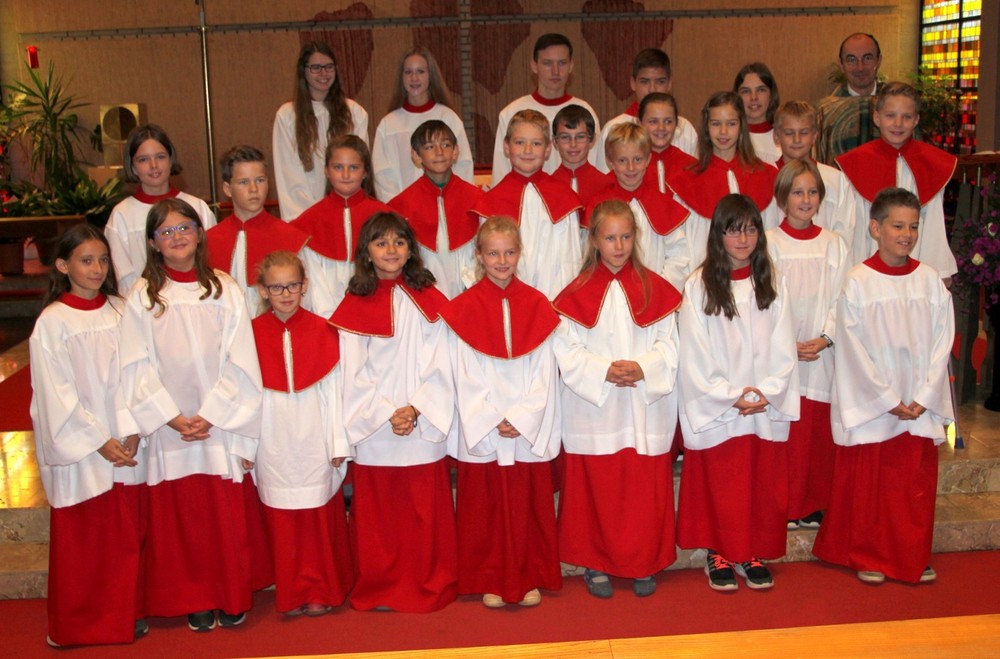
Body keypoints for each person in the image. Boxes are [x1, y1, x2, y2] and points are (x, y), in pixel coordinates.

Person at [119, 198, 265, 633]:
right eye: (166, 232)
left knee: (222, 515)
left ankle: (230, 593)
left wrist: (213, 413)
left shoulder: (223, 289)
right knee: (182, 519)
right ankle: (194, 598)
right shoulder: (143, 296)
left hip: (217, 424)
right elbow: (133, 364)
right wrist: (169, 415)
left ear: (200, 234)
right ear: (152, 243)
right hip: (171, 429)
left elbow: (243, 358)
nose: (177, 237)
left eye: (184, 228)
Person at [812, 188, 954, 585]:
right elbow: (852, 346)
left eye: (913, 227)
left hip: (917, 403)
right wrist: (887, 399)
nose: (907, 235)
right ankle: (869, 554)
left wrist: (924, 396)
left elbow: (942, 343)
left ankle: (911, 553)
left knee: (912, 484)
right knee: (872, 483)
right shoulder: (859, 281)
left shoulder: (929, 281)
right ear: (875, 228)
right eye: (897, 226)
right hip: (877, 404)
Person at [553, 199, 682, 599]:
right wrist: (603, 370)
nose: (619, 246)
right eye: (610, 238)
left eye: (626, 237)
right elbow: (566, 350)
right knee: (597, 487)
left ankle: (643, 561)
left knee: (642, 489)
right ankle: (596, 562)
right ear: (593, 240)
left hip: (642, 406)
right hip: (596, 409)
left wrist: (643, 367)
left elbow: (670, 344)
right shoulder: (574, 294)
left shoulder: (655, 289)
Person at [331, 212, 458, 612]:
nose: (391, 250)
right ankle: (381, 585)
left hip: (420, 421)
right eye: (381, 242)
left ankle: (427, 582)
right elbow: (352, 371)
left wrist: (416, 408)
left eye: (399, 242)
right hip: (377, 426)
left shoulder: (429, 299)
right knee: (380, 515)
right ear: (365, 251)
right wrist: (388, 412)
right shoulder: (355, 304)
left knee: (424, 511)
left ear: (411, 250)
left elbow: (442, 361)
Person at [29, 224, 146, 647]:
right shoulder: (53, 322)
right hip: (83, 448)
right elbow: (54, 393)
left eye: (102, 260)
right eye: (86, 260)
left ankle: (123, 615)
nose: (97, 269)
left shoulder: (121, 309)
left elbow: (138, 373)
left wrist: (132, 429)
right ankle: (78, 626)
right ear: (63, 266)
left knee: (124, 536)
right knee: (86, 540)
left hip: (125, 440)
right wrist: (99, 440)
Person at [676, 194, 799, 592]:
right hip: (721, 405)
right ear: (718, 235)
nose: (743, 239)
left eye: (750, 230)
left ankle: (750, 550)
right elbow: (694, 349)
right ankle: (719, 552)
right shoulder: (699, 285)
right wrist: (729, 395)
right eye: (733, 230)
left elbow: (784, 342)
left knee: (757, 482)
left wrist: (767, 392)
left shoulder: (771, 281)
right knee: (722, 481)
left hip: (761, 404)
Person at [442, 217, 563, 608]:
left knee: (528, 505)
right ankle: (490, 578)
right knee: (485, 508)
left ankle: (528, 577)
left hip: (523, 428)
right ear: (479, 255)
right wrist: (494, 417)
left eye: (509, 252)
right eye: (493, 253)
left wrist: (523, 417)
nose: (502, 260)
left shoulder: (538, 304)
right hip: (487, 425)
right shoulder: (463, 309)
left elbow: (545, 371)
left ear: (520, 253)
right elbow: (463, 372)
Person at [251, 251, 353, 617]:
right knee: (283, 520)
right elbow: (245, 396)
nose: (286, 294)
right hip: (272, 437)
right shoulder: (249, 335)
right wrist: (245, 445)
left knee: (318, 516)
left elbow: (335, 393)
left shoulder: (324, 330)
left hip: (314, 435)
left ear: (305, 285)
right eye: (277, 287)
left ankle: (321, 589)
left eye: (292, 285)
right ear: (263, 290)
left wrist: (338, 442)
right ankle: (292, 592)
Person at [765, 160, 849, 529]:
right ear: (782, 198)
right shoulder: (769, 243)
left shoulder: (834, 244)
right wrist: (787, 341)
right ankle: (785, 504)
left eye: (812, 192)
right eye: (797, 192)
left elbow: (843, 297)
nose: (805, 199)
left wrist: (826, 337)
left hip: (821, 350)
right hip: (784, 352)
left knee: (815, 430)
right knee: (787, 431)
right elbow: (765, 299)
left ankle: (813, 502)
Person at [837, 82, 957, 280]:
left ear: (916, 120)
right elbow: (852, 227)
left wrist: (938, 272)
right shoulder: (856, 163)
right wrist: (848, 273)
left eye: (907, 117)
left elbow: (934, 226)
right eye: (890, 115)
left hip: (916, 269)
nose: (898, 124)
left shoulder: (932, 163)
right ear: (877, 118)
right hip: (867, 269)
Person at [472, 109, 583, 299]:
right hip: (507, 300)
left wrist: (556, 304)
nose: (528, 150)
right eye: (520, 142)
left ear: (548, 149)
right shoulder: (491, 203)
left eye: (536, 143)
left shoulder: (565, 198)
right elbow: (488, 262)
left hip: (554, 302)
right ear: (506, 147)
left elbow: (570, 261)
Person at [668, 92, 779, 270]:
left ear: (742, 126)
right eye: (716, 124)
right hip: (707, 276)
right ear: (706, 127)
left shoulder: (766, 176)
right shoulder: (687, 182)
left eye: (731, 123)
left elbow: (774, 237)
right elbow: (684, 249)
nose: (723, 131)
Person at [105, 124, 216, 293]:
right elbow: (122, 276)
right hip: (145, 300)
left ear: (171, 160)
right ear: (133, 167)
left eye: (160, 157)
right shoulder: (122, 214)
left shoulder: (197, 207)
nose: (154, 165)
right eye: (143, 160)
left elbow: (210, 260)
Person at [292, 135, 394, 317]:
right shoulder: (308, 222)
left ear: (365, 172)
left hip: (376, 307)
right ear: (326, 171)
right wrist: (327, 316)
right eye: (338, 167)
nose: (346, 175)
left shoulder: (386, 218)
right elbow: (313, 281)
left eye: (353, 167)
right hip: (325, 311)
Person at [206, 145, 310, 316]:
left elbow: (307, 299)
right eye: (244, 182)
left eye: (260, 180)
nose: (253, 189)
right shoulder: (209, 240)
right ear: (227, 189)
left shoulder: (291, 238)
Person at [585, 122, 690, 289]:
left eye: (638, 159)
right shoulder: (598, 205)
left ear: (648, 159)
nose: (631, 167)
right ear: (610, 162)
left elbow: (678, 256)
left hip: (654, 292)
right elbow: (588, 255)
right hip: (609, 291)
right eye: (622, 160)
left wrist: (659, 288)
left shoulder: (662, 204)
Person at [273, 41, 369, 221]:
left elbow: (359, 166)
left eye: (329, 67)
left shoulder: (354, 113)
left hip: (347, 211)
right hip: (305, 215)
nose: (323, 73)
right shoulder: (287, 116)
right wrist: (313, 218)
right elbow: (289, 177)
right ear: (303, 71)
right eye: (316, 68)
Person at [388, 120, 483, 298]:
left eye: (446, 145)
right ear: (416, 156)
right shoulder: (400, 206)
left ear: (455, 151)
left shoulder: (478, 200)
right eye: (430, 147)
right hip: (422, 292)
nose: (439, 152)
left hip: (468, 291)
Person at [490, 33, 600, 185]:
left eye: (562, 63)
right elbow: (501, 175)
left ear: (571, 66)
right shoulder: (511, 113)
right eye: (547, 63)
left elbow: (596, 169)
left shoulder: (585, 112)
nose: (555, 71)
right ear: (534, 65)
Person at [372, 47, 474, 201]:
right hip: (403, 207)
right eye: (408, 72)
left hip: (447, 203)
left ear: (430, 75)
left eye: (420, 71)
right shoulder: (389, 124)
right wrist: (398, 206)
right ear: (401, 77)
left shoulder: (448, 118)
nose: (414, 78)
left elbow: (463, 165)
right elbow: (382, 173)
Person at [770, 101, 855, 250]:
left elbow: (844, 232)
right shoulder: (766, 177)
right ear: (776, 136)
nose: (797, 139)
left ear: (815, 136)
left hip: (824, 258)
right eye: (789, 133)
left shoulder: (834, 180)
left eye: (804, 132)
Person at [595, 48, 698, 172]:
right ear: (633, 83)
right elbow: (604, 179)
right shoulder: (613, 128)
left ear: (670, 83)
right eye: (644, 82)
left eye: (660, 81)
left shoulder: (685, 129)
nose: (652, 89)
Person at [816, 33, 883, 164]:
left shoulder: (898, 107)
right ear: (841, 65)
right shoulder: (824, 111)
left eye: (867, 58)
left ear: (878, 60)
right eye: (851, 60)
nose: (860, 67)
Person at [549, 104, 608, 207]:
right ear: (555, 142)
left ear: (592, 140)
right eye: (565, 137)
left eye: (580, 137)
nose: (573, 144)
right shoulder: (548, 187)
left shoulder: (606, 186)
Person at [638, 93, 697, 194]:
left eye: (668, 121)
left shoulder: (691, 166)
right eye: (653, 121)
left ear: (676, 123)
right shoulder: (629, 168)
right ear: (639, 124)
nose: (661, 128)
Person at [734, 62, 781, 164]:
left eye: (761, 90)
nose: (753, 97)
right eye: (746, 91)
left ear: (771, 94)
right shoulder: (727, 139)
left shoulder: (785, 138)